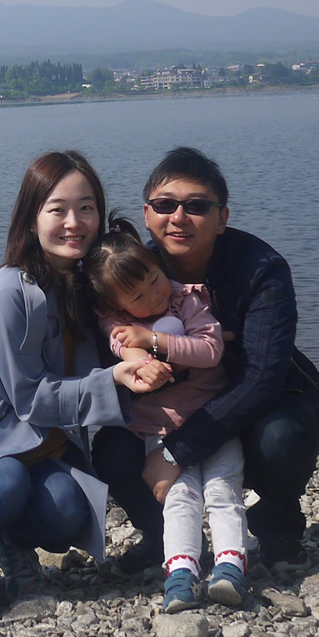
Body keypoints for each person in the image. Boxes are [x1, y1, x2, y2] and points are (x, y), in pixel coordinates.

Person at [0, 151, 174, 612]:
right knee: (5, 482)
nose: (73, 222)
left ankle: (12, 545)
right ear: (31, 217)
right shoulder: (11, 290)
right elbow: (29, 397)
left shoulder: (85, 285)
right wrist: (114, 380)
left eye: (86, 208)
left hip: (38, 443)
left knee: (69, 511)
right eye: (57, 209)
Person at [90, 146, 319, 569]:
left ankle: (279, 529)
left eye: (197, 206)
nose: (178, 217)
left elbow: (261, 378)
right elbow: (103, 334)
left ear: (222, 218)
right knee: (110, 449)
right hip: (169, 404)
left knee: (283, 436)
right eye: (165, 205)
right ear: (147, 215)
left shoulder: (261, 269)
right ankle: (162, 538)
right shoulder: (127, 269)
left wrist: (174, 453)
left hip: (255, 399)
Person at [87, 220, 249, 611]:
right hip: (161, 428)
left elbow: (210, 350)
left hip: (213, 421)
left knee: (223, 491)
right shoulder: (119, 324)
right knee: (179, 496)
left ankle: (231, 567)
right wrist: (141, 360)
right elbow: (123, 348)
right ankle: (181, 571)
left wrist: (155, 340)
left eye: (156, 279)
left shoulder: (187, 299)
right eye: (138, 296)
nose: (155, 296)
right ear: (117, 305)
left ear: (160, 266)